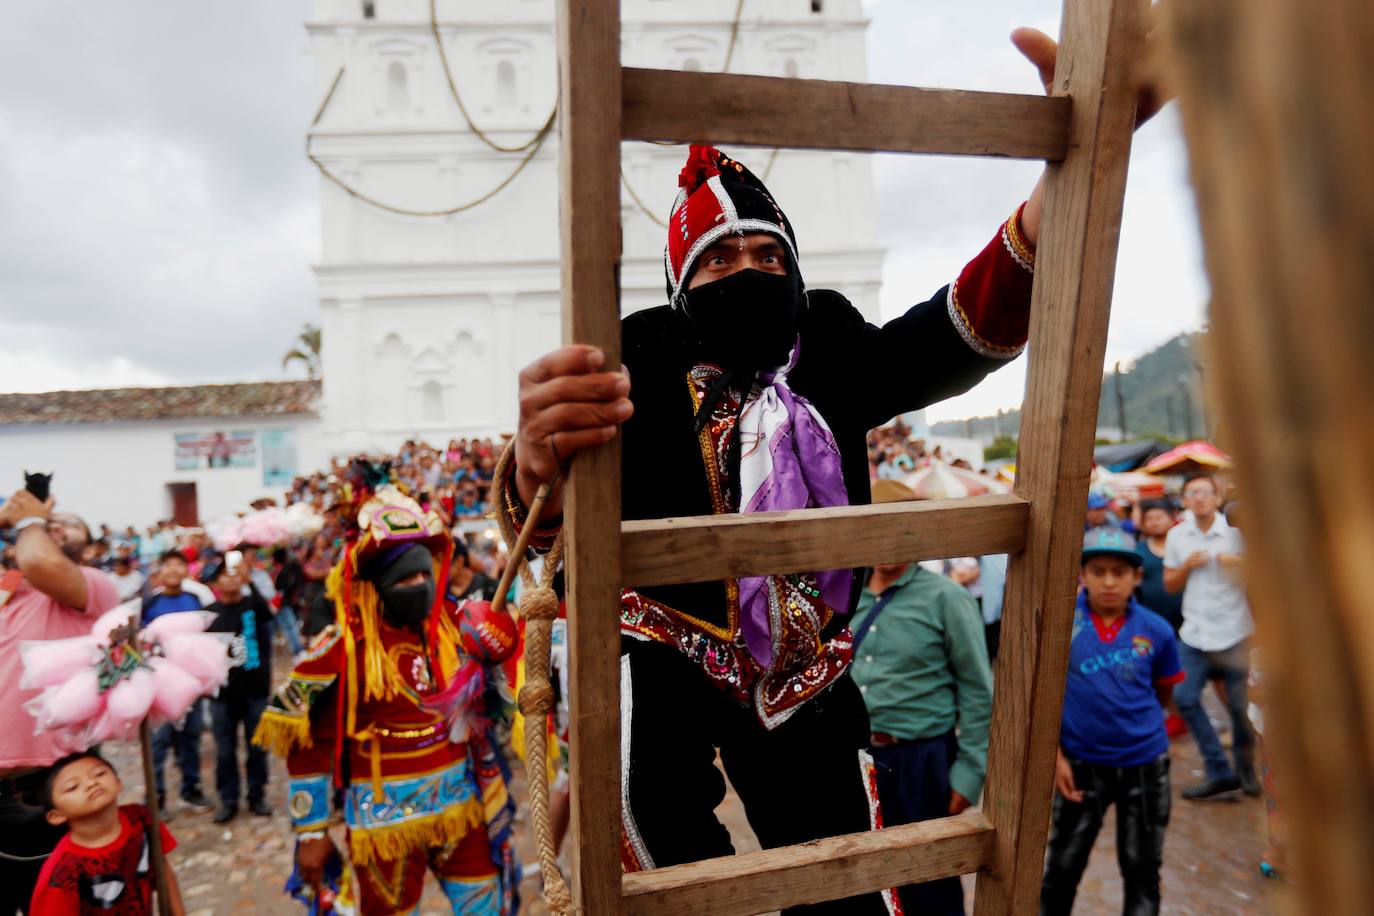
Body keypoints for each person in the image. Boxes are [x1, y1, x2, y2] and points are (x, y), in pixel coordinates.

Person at [253, 485, 520, 914]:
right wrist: (311, 833)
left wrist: (500, 646)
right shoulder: (344, 648)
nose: (419, 585)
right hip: (382, 824)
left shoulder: (455, 626)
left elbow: (496, 687)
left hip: (461, 808)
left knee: (487, 904)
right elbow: (306, 747)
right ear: (379, 587)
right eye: (405, 580)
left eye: (424, 576)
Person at [851, 479, 993, 915]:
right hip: (857, 761)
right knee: (861, 878)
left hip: (923, 760)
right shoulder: (845, 596)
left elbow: (977, 691)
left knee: (928, 883)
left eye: (897, 529)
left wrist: (969, 774)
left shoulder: (947, 598)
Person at [1040, 529, 1184, 916]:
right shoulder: (1059, 625)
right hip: (1081, 766)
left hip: (1145, 766)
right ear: (1081, 574)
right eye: (1098, 570)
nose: (1108, 581)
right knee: (1063, 867)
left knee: (1141, 869)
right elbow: (1040, 698)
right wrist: (1055, 757)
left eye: (1119, 572)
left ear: (1136, 577)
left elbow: (1164, 692)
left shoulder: (1156, 630)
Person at [0, 489, 120, 914]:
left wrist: (30, 522)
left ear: (87, 549)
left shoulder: (91, 587)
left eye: (69, 525)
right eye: (49, 522)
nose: (55, 524)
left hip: (51, 786)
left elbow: (40, 560)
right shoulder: (8, 589)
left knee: (62, 904)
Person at [1164, 473, 1257, 799]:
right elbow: (1169, 584)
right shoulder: (1177, 535)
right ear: (1185, 499)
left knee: (1239, 706)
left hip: (1235, 631)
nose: (1199, 498)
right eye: (1192, 492)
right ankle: (1219, 770)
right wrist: (1187, 566)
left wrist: (1231, 560)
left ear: (1218, 498)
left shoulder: (1235, 534)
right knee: (1186, 698)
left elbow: (1258, 570)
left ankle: (1246, 770)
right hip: (1195, 633)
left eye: (1205, 492)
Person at [29, 751, 184, 916]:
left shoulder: (141, 818)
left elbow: (163, 871)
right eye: (73, 786)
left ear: (118, 782)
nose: (91, 783)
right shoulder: (62, 873)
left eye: (99, 773)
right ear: (56, 815)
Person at [140, 550, 214, 814]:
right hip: (159, 683)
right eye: (167, 564)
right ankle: (155, 795)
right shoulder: (149, 604)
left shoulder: (195, 600)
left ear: (187, 570)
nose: (173, 570)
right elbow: (141, 640)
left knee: (190, 737)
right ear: (159, 572)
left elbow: (207, 639)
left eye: (178, 565)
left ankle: (191, 789)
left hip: (190, 682)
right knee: (159, 740)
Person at [204, 552, 274, 823]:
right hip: (222, 694)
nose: (230, 579)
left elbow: (268, 614)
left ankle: (257, 796)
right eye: (225, 575)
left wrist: (250, 581)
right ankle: (228, 799)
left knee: (257, 746)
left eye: (234, 574)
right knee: (224, 750)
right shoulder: (209, 614)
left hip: (255, 689)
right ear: (216, 582)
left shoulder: (252, 605)